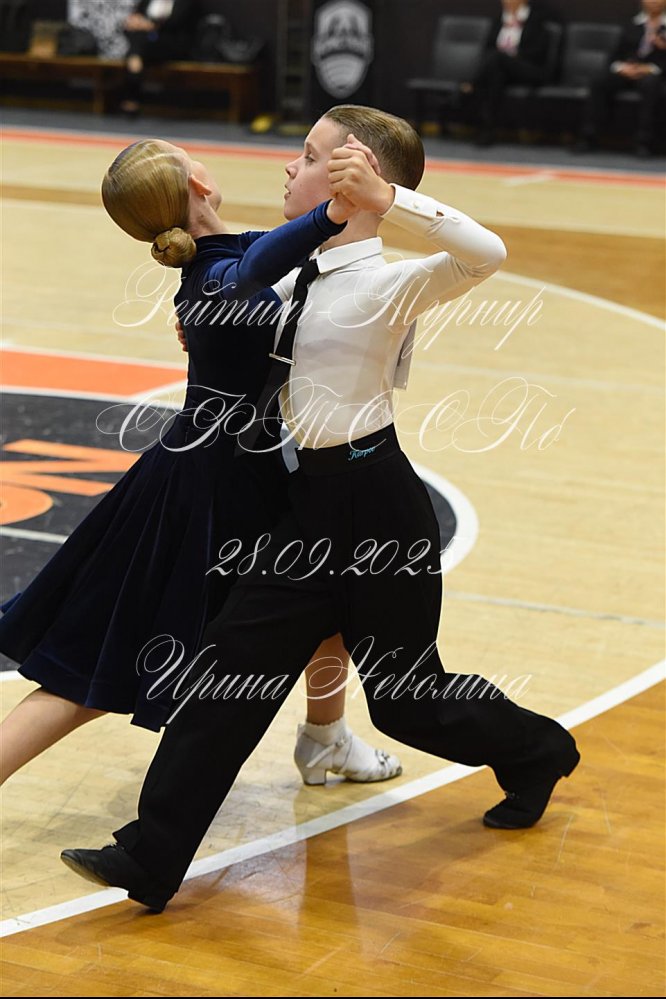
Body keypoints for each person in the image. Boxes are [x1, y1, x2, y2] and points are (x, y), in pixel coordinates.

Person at [61, 107, 580, 914]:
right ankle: (150, 856)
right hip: (305, 509)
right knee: (227, 675)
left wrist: (389, 199)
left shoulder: (391, 281)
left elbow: (486, 252)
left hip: (379, 510)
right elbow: (228, 309)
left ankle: (540, 748)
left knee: (408, 701)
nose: (288, 168)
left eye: (307, 156)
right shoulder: (287, 272)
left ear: (355, 177)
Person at [0, 136, 401, 787]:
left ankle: (326, 736)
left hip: (234, 469)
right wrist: (330, 212)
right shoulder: (219, 276)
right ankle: (324, 738)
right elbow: (259, 266)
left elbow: (282, 259)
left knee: (331, 601)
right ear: (197, 185)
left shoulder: (223, 259)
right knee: (92, 669)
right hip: (213, 485)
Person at [574, 0, 666, 157]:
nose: (654, 1)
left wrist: (650, 68)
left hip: (655, 74)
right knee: (599, 82)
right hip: (628, 70)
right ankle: (589, 136)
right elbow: (615, 54)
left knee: (651, 85)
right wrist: (621, 67)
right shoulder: (632, 24)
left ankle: (645, 141)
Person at [464, 1, 552, 147]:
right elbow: (488, 47)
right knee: (496, 74)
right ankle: (488, 128)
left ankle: (471, 84)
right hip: (503, 70)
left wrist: (514, 56)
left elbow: (539, 52)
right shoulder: (499, 20)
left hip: (529, 69)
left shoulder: (536, 19)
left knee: (498, 58)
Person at [119, 0, 200, 117]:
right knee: (139, 42)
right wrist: (136, 22)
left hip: (171, 44)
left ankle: (132, 91)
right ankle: (135, 65)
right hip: (145, 41)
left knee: (138, 48)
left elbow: (178, 23)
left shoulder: (185, 3)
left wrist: (152, 26)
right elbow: (138, 15)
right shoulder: (147, 2)